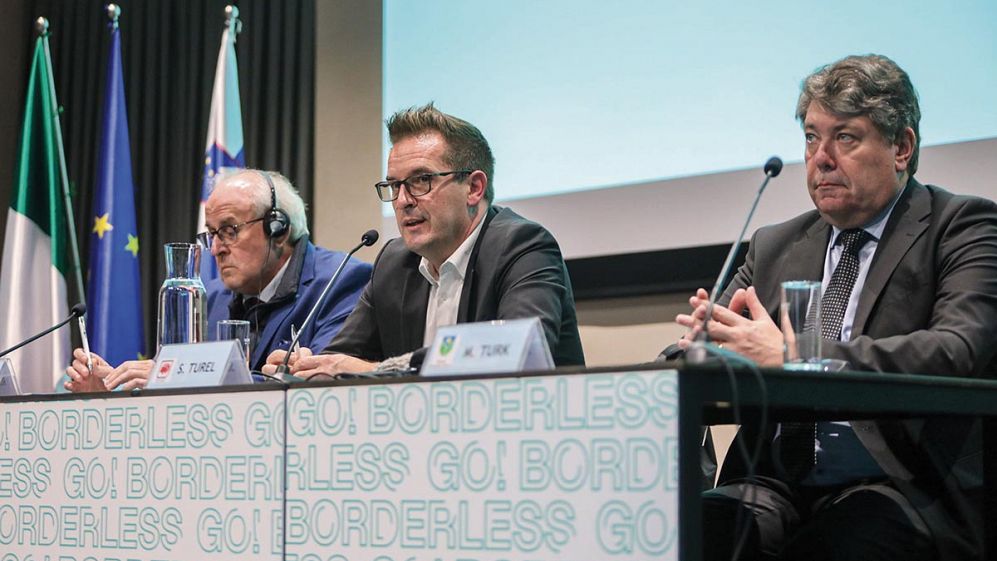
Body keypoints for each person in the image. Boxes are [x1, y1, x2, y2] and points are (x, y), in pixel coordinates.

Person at [674, 55, 997, 560]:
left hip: (902, 483)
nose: (820, 158)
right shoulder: (774, 245)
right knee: (687, 533)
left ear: (901, 147)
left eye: (845, 137)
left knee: (833, 546)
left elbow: (958, 350)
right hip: (771, 482)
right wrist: (700, 348)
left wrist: (798, 357)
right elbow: (703, 346)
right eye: (811, 138)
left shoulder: (961, 226)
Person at [265, 103, 584, 378]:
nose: (403, 200)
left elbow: (514, 352)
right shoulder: (394, 262)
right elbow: (342, 359)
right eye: (394, 186)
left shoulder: (523, 247)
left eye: (421, 180)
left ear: (473, 188)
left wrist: (379, 370)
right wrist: (308, 368)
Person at [64, 169, 372, 391]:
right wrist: (112, 389)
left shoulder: (341, 282)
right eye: (211, 234)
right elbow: (167, 390)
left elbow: (319, 387)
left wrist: (174, 377)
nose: (215, 249)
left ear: (278, 229)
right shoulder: (209, 298)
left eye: (229, 230)